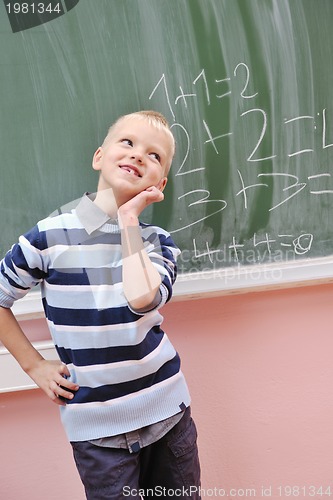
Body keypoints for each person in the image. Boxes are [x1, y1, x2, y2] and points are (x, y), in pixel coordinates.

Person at [0, 110, 201, 499]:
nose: (138, 154)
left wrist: (128, 219)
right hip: (97, 433)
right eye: (127, 142)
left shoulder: (157, 242)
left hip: (168, 417)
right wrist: (33, 365)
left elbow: (142, 298)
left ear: (158, 184)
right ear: (99, 156)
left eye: (154, 154)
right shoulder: (48, 236)